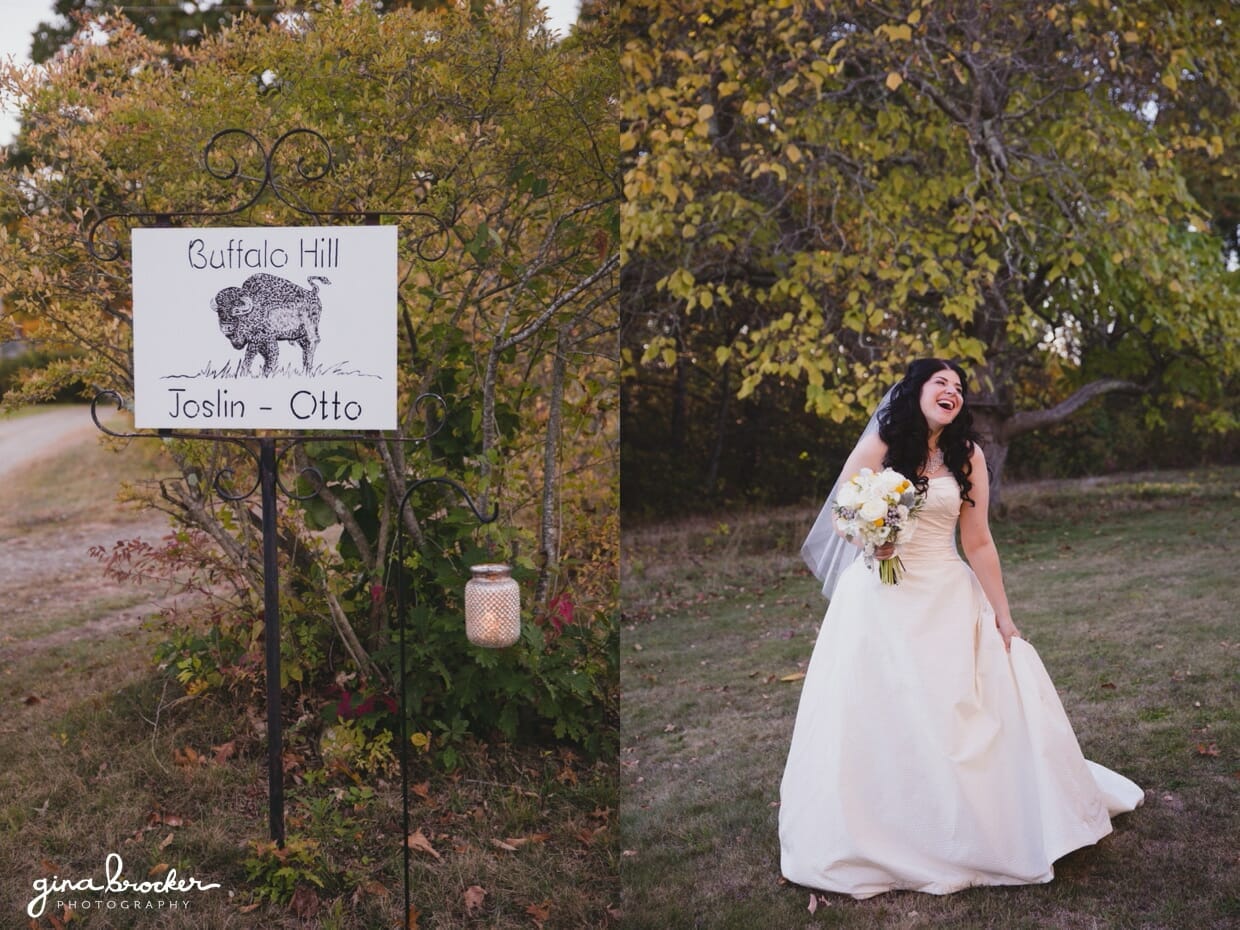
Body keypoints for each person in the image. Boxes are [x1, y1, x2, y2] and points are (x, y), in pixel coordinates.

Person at [779, 358, 1143, 898]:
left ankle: (967, 825)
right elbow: (844, 508)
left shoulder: (967, 455)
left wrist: (1004, 615)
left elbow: (977, 541)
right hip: (878, 598)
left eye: (958, 387)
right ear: (915, 391)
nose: (952, 391)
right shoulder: (882, 442)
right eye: (940, 382)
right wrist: (871, 538)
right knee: (878, 709)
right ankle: (876, 828)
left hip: (946, 594)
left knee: (954, 709)